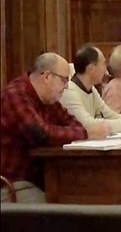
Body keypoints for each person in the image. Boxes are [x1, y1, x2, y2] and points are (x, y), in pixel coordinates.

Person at [0, 53, 109, 203]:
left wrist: (81, 132)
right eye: (64, 80)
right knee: (63, 211)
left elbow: (73, 123)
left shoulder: (49, 100)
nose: (67, 86)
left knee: (89, 194)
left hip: (45, 177)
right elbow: (41, 134)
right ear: (47, 76)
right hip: (14, 183)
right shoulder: (14, 96)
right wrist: (86, 133)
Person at [60, 45, 121, 133]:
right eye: (103, 64)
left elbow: (110, 115)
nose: (106, 71)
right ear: (91, 68)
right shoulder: (69, 92)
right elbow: (88, 124)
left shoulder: (91, 89)